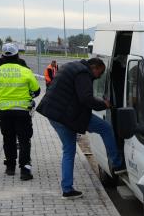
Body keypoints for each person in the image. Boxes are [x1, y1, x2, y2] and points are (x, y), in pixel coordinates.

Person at [36, 57, 124, 198]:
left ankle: (67, 189)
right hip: (67, 115)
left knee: (69, 150)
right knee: (106, 128)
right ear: (94, 67)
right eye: (100, 73)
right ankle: (117, 163)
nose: (100, 76)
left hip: (54, 113)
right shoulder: (83, 74)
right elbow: (86, 98)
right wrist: (104, 104)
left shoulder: (71, 66)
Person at [0, 44, 40, 180]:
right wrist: (28, 97)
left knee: (8, 139)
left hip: (5, 112)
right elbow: (37, 91)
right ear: (17, 55)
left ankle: (10, 167)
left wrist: (1, 98)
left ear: (3, 56)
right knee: (24, 140)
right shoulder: (25, 71)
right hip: (23, 111)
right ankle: (25, 170)